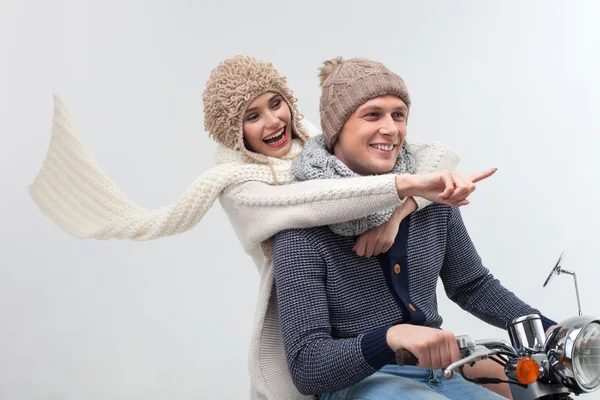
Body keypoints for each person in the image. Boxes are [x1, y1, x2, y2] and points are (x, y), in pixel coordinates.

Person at [30, 56, 488, 400]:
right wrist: (408, 187)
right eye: (252, 115)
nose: (273, 121)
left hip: (397, 352)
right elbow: (315, 202)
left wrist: (401, 210)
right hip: (311, 344)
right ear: (235, 132)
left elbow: (439, 156)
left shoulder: (319, 147)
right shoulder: (239, 187)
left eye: (276, 104)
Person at [272, 57, 556, 399]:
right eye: (372, 115)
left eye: (399, 114)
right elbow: (308, 365)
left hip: (440, 373)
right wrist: (391, 337)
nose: (391, 129)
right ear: (336, 129)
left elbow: (472, 285)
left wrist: (552, 331)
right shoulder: (301, 223)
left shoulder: (426, 199)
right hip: (358, 385)